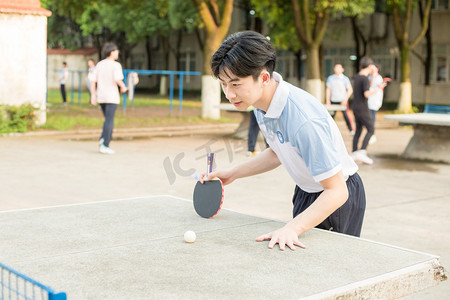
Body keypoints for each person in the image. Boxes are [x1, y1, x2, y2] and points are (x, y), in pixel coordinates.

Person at [200, 31, 366, 251]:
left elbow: (337, 191)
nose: (229, 94)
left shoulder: (303, 120)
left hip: (336, 197)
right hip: (306, 192)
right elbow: (277, 152)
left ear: (264, 78)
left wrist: (293, 228)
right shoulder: (260, 103)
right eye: (223, 84)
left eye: (236, 84)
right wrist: (233, 173)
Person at [90, 43, 127, 154]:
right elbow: (117, 79)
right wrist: (123, 87)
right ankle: (105, 144)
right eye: (116, 51)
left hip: (101, 96)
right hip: (111, 97)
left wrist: (93, 95)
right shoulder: (116, 65)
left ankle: (102, 138)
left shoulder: (99, 64)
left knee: (107, 119)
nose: (117, 53)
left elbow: (93, 81)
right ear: (112, 52)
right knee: (109, 120)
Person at [352, 57, 386, 164]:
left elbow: (364, 87)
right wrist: (378, 89)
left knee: (358, 130)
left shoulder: (357, 77)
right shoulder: (365, 78)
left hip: (355, 107)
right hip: (362, 108)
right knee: (371, 129)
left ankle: (354, 152)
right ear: (369, 66)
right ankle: (362, 152)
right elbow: (366, 94)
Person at [325, 63, 354, 134]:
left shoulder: (345, 79)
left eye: (339, 67)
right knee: (330, 117)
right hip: (333, 100)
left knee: (346, 116)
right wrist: (327, 100)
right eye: (336, 67)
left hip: (343, 101)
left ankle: (351, 130)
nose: (337, 69)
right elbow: (328, 89)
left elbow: (350, 90)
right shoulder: (330, 78)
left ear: (342, 69)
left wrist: (345, 99)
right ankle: (327, 131)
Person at [367, 63, 383, 144]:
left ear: (377, 69)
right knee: (369, 119)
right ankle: (370, 134)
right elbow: (369, 85)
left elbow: (377, 88)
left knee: (372, 119)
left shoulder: (379, 78)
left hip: (374, 101)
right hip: (369, 101)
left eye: (373, 69)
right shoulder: (370, 77)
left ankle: (372, 135)